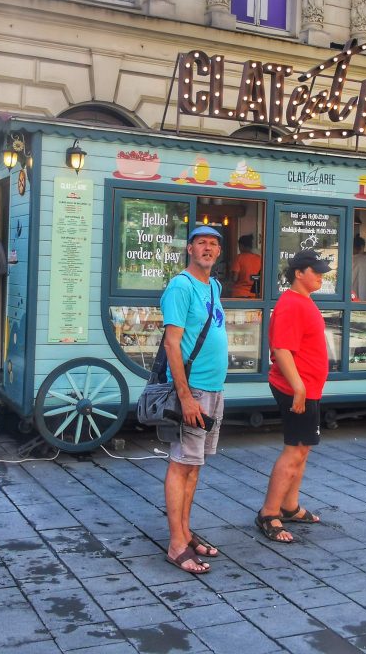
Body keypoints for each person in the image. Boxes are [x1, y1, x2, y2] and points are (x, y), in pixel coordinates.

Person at [160, 225, 228, 574]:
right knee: (181, 465)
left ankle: (185, 532)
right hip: (194, 391)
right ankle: (176, 545)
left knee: (195, 466)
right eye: (201, 242)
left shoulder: (213, 286)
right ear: (190, 249)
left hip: (213, 390)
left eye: (213, 244)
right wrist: (185, 396)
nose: (207, 248)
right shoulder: (180, 286)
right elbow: (173, 343)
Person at [256, 249, 331, 543]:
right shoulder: (291, 304)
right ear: (299, 273)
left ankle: (289, 506)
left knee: (303, 448)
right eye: (316, 271)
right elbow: (281, 349)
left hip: (308, 387)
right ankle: (269, 513)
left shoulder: (303, 301)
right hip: (297, 389)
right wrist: (298, 387)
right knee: (295, 449)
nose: (321, 276)